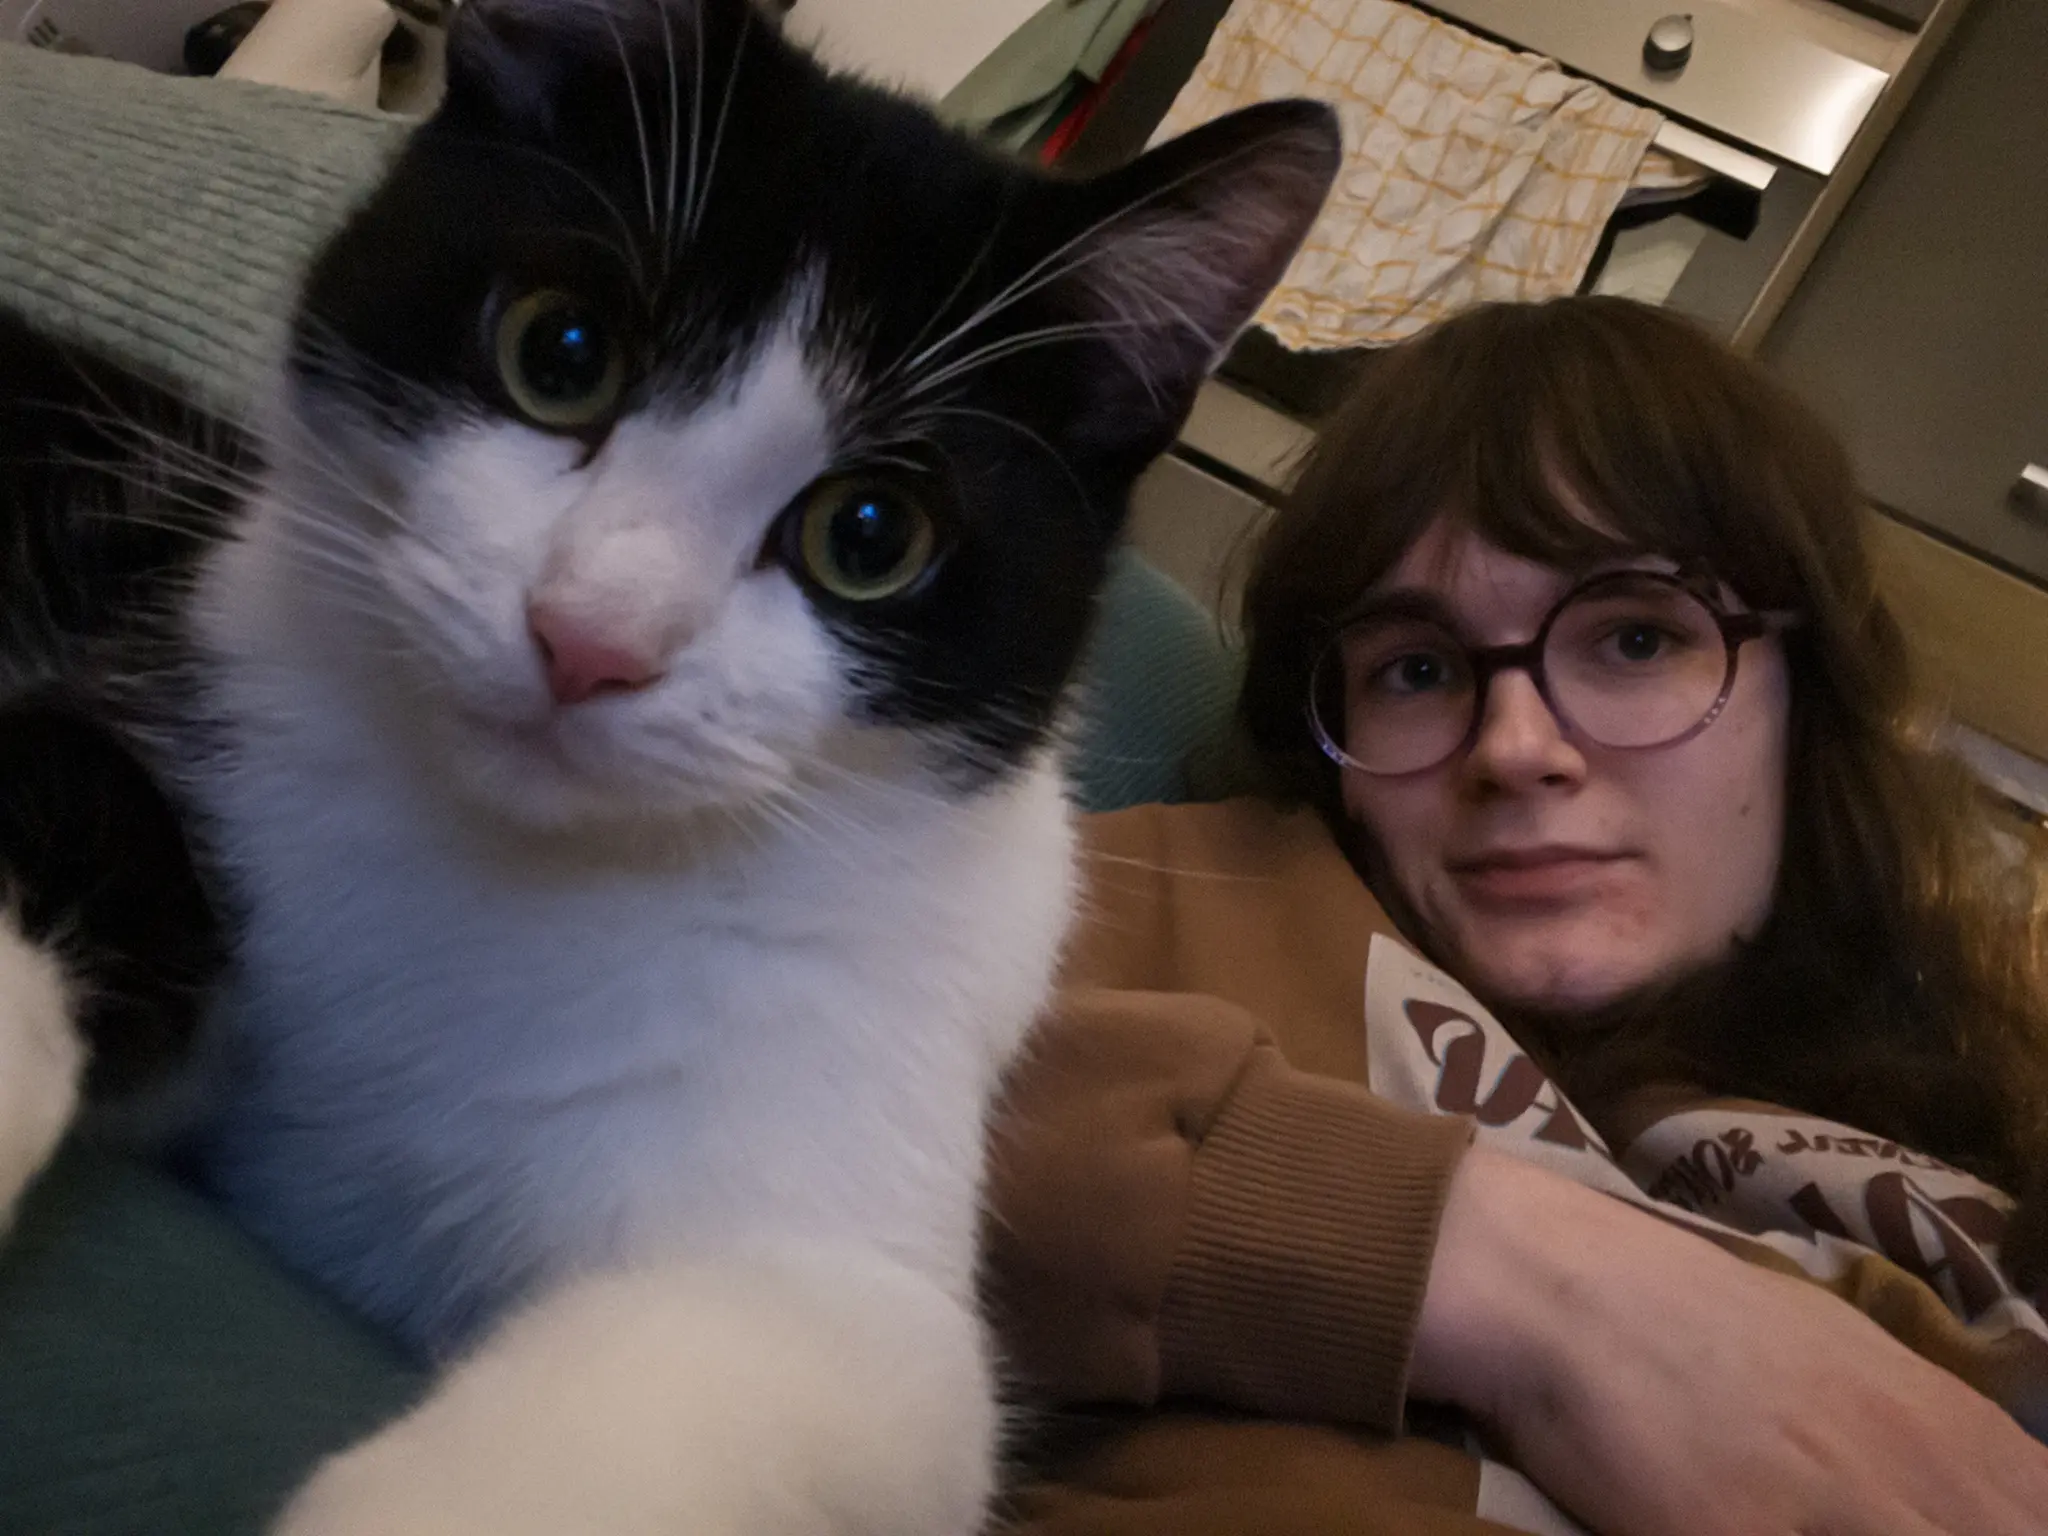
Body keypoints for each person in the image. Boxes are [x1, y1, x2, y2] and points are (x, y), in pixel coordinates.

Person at [984, 296, 2048, 1536]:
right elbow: (753, 1087)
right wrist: (1488, 1270)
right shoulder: (1174, 900)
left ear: (1803, 703)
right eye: (1417, 671)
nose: (1514, 747)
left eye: (1635, 638)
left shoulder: (1981, 1149)